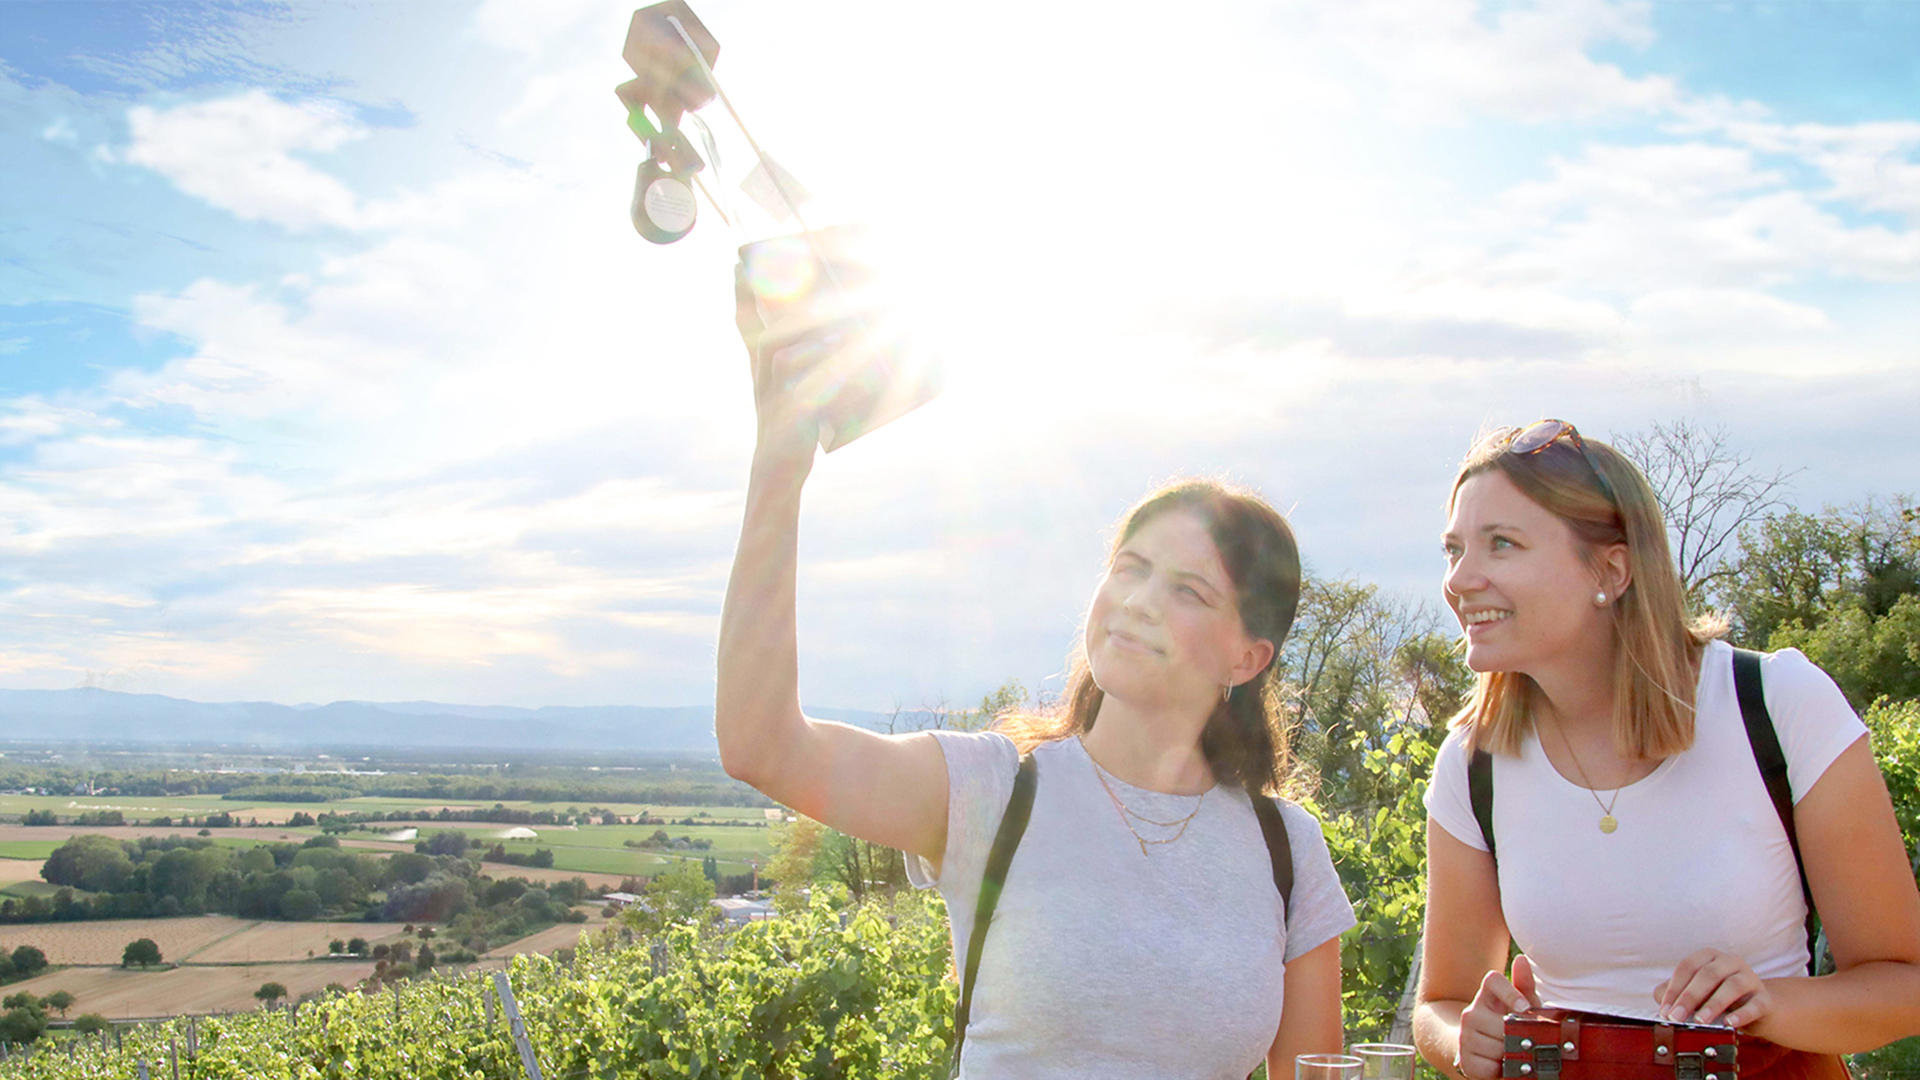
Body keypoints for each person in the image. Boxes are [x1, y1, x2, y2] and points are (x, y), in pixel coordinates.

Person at [715, 281, 1355, 1077]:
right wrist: (779, 464)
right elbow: (760, 744)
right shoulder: (992, 790)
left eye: (1187, 591)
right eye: (1131, 568)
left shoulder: (1286, 850)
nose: (1139, 602)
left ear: (1247, 658)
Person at [1413, 420, 1920, 1080]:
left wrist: (1770, 1004)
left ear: (1612, 568)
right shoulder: (1472, 762)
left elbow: (1904, 983)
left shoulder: (1776, 704)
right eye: (1453, 551)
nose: (1459, 580)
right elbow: (1440, 1004)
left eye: (1500, 545)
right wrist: (1463, 1042)